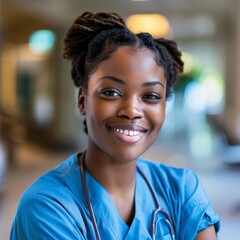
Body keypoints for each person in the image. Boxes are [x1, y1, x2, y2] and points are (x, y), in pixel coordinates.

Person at [10, 12, 220, 239]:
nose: (131, 111)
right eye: (111, 92)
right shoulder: (46, 207)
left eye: (150, 96)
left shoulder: (181, 189)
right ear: (82, 101)